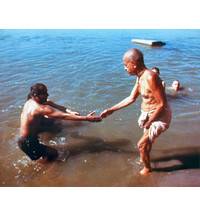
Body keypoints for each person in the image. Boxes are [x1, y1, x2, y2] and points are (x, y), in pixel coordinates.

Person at [100, 48, 171, 175]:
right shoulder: (140, 77)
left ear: (134, 64)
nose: (124, 68)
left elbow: (162, 104)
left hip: (159, 116)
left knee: (141, 145)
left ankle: (147, 169)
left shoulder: (150, 77)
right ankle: (145, 158)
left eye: (125, 65)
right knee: (146, 144)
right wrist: (111, 110)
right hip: (149, 114)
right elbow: (131, 98)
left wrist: (150, 122)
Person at [18, 83, 102, 162]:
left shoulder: (30, 101)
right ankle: (43, 172)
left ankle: (43, 164)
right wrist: (86, 118)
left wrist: (71, 112)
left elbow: (59, 108)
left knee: (47, 155)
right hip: (28, 142)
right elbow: (63, 116)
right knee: (56, 155)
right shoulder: (39, 108)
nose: (47, 95)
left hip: (24, 141)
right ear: (36, 95)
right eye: (45, 93)